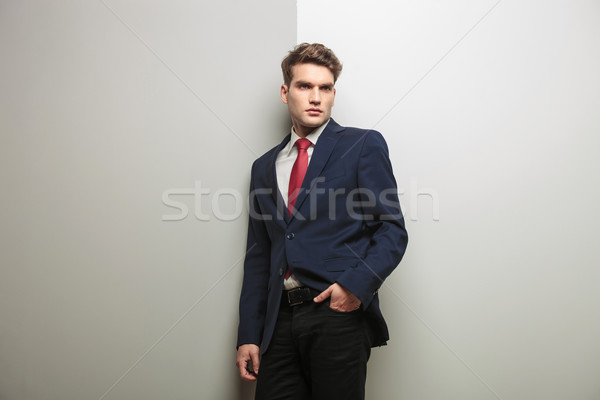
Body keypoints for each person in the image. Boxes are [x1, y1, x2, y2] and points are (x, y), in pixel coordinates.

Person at [235, 42, 408, 400]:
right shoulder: (263, 167)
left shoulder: (362, 145)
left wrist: (354, 287)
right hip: (278, 323)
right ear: (285, 92)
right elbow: (259, 255)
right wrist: (249, 334)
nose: (316, 97)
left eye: (325, 88)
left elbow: (391, 229)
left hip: (336, 312)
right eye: (304, 86)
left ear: (333, 94)